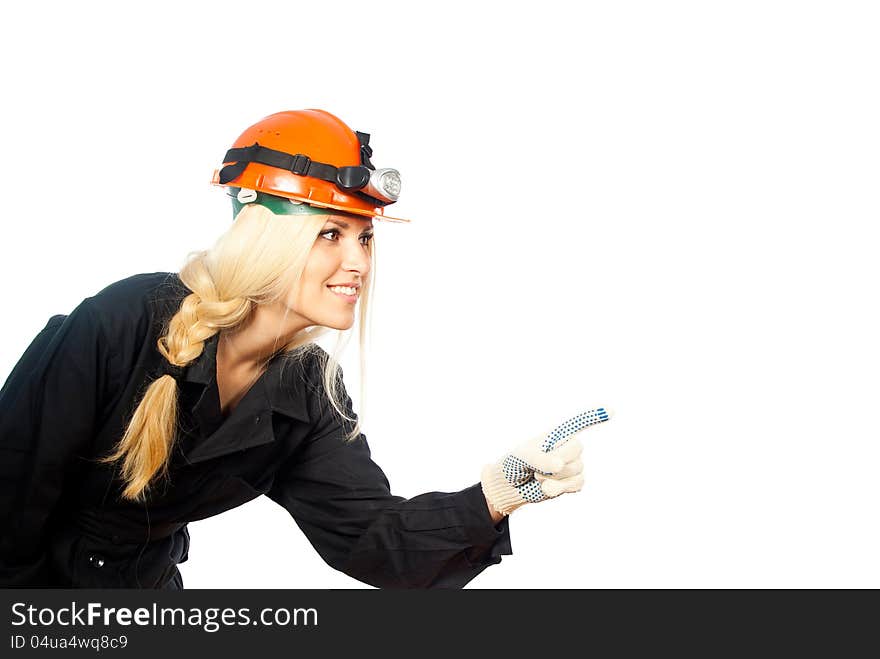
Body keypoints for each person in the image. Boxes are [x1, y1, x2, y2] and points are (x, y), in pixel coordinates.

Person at [0, 109, 590, 588]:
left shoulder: (305, 394)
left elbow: (371, 538)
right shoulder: (123, 321)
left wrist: (496, 495)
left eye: (364, 237)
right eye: (329, 234)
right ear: (265, 236)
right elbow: (9, 498)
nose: (357, 262)